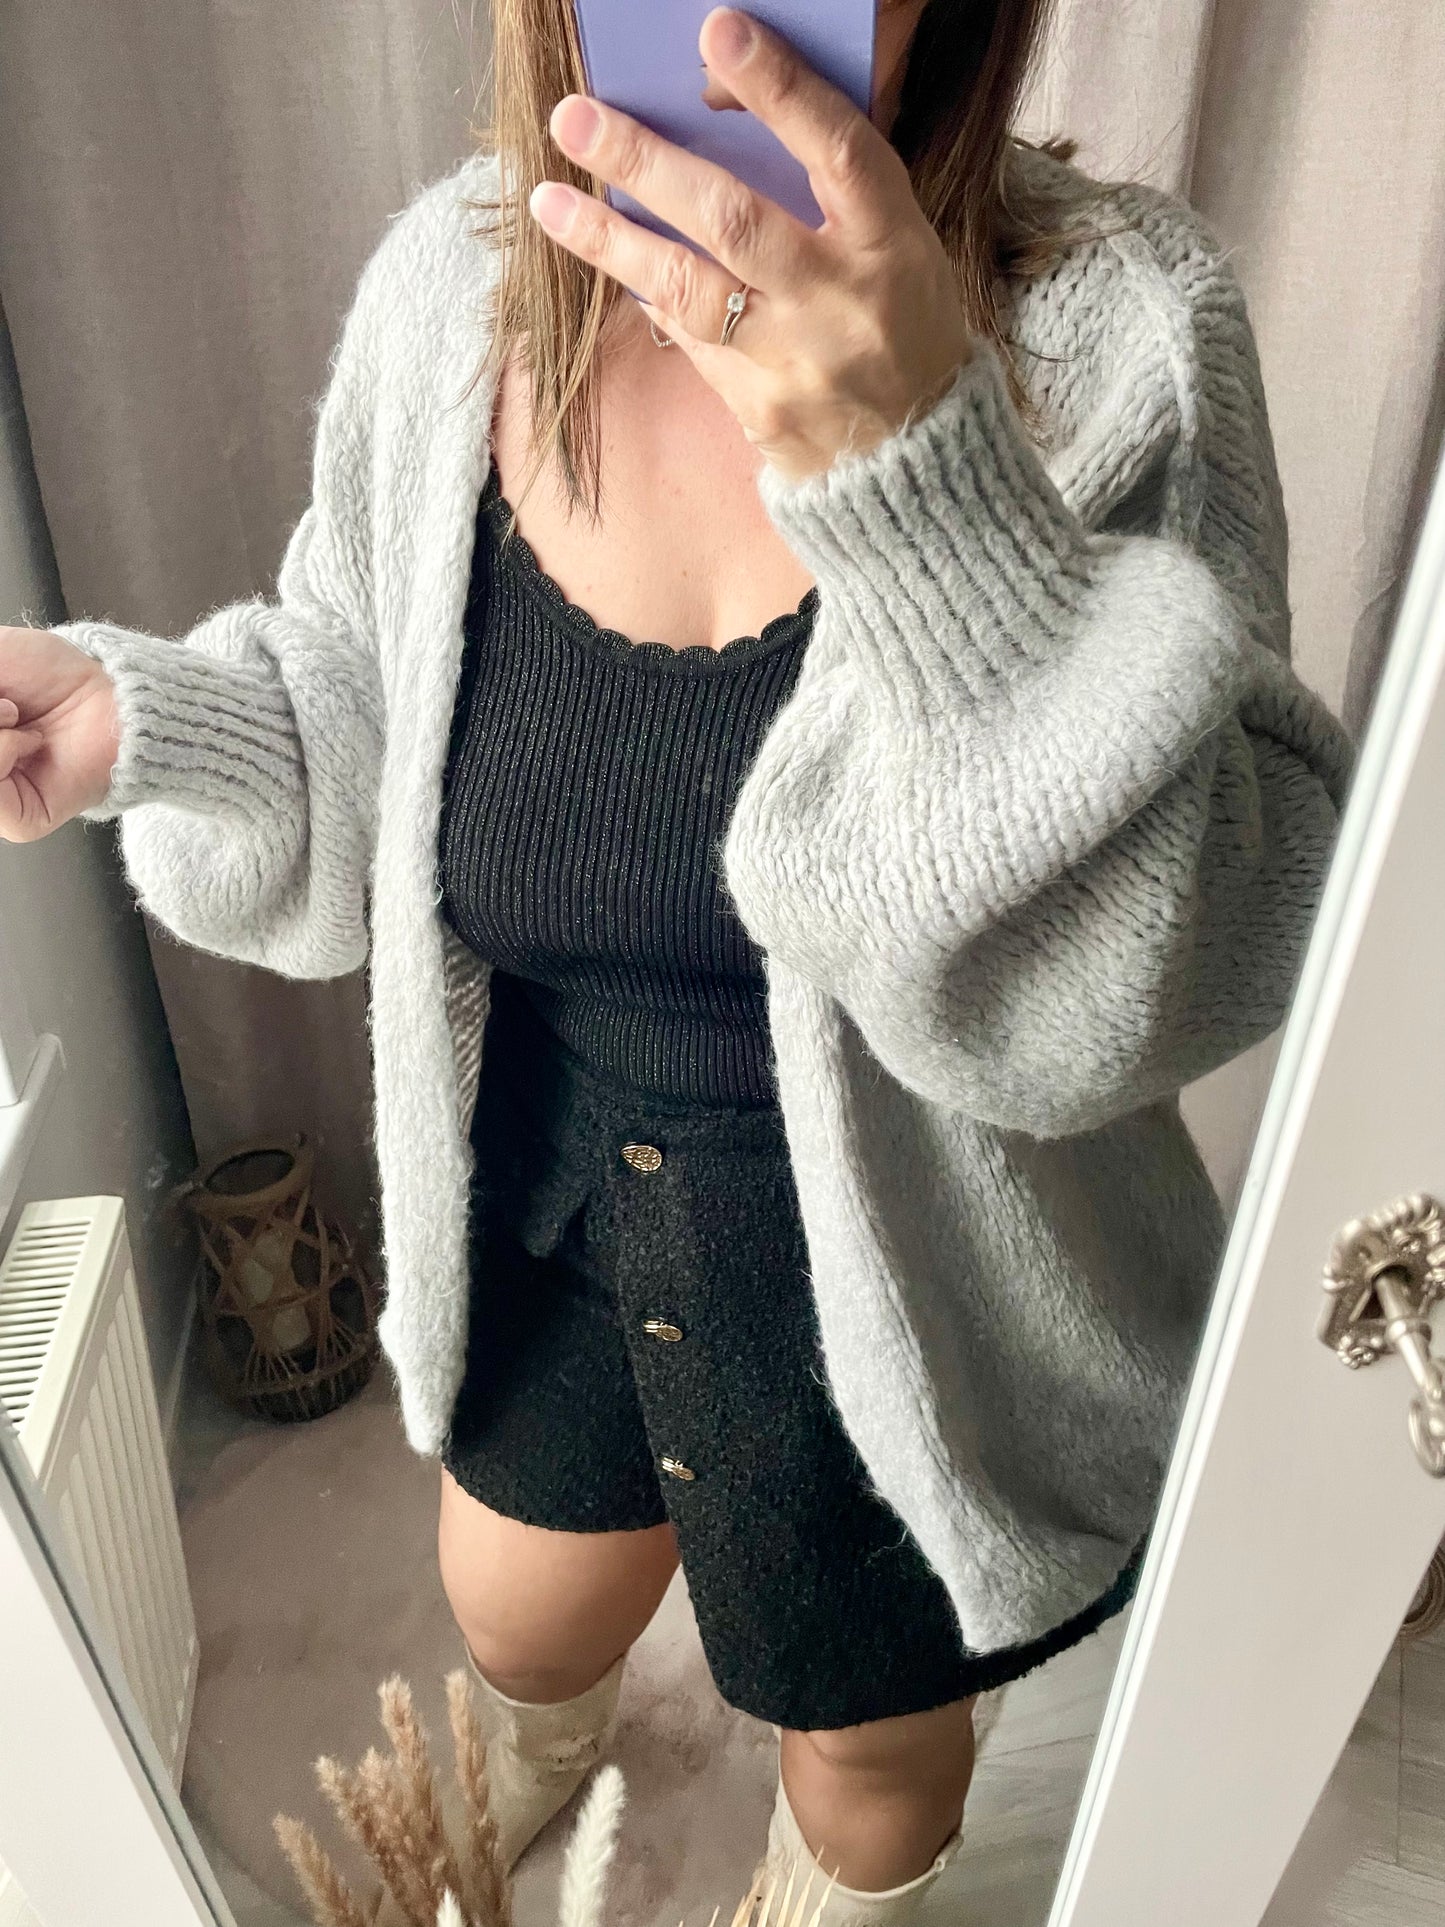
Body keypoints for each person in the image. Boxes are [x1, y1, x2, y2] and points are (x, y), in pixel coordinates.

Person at [0, 3, 1355, 1921]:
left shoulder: (1124, 331)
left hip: (921, 1270)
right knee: (514, 1612)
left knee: (865, 1760)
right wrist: (147, 727)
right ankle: (541, 1754)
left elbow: (1175, 966)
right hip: (555, 1187)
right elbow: (363, 717)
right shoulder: (454, 292)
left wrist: (930, 492)